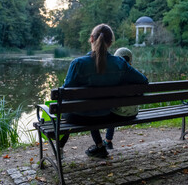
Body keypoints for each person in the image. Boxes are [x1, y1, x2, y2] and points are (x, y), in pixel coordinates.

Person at [62, 24, 148, 158]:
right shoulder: (120, 63)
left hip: (78, 117)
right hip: (105, 114)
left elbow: (64, 93)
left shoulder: (78, 63)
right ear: (110, 43)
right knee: (93, 106)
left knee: (77, 108)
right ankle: (99, 146)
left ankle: (61, 147)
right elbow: (143, 81)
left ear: (91, 39)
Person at [103, 47, 139, 150]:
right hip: (133, 114)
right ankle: (107, 141)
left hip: (117, 116)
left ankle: (108, 141)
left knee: (112, 110)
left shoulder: (113, 76)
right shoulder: (135, 74)